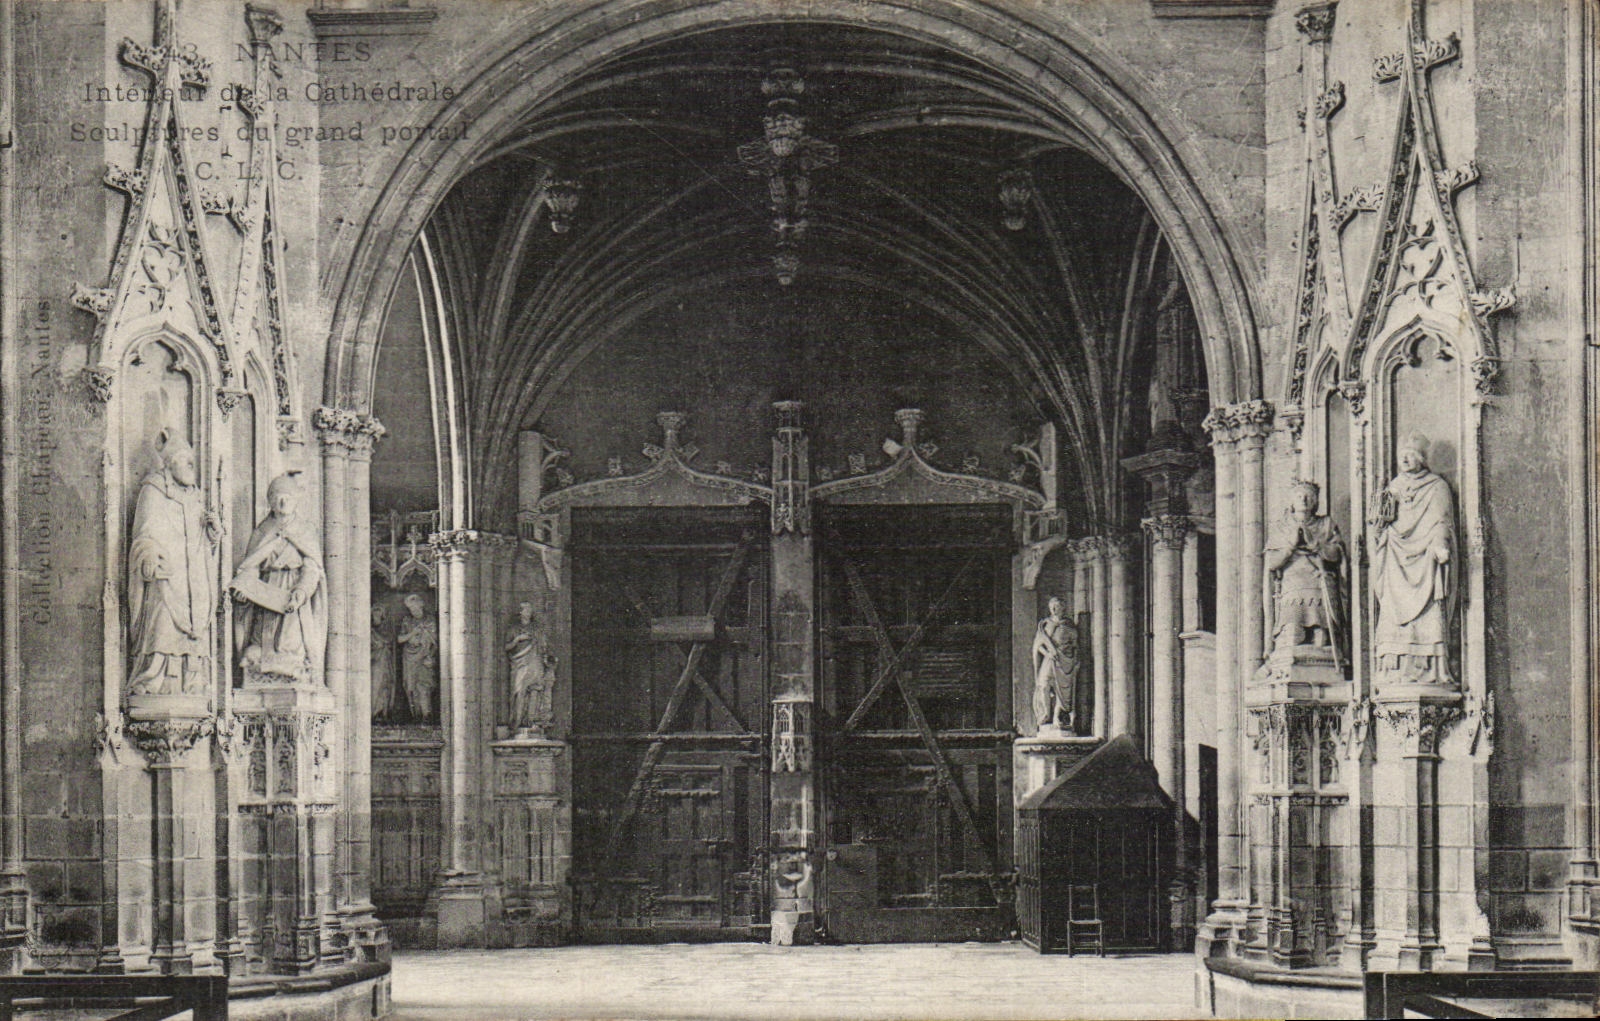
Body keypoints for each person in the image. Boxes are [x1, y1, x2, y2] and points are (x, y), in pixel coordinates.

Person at [127, 432, 219, 696]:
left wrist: (213, 533)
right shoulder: (153, 491)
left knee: (194, 630)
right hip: (166, 578)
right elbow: (143, 536)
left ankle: (192, 683)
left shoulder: (196, 498)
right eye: (186, 462)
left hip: (194, 582)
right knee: (162, 625)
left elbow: (203, 544)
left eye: (193, 462)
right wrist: (150, 558)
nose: (192, 468)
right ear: (170, 464)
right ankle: (153, 680)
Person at [1372, 432, 1457, 686]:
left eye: (1411, 455)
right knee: (1391, 611)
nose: (1406, 459)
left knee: (1428, 612)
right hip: (1395, 559)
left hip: (1425, 560)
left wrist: (1440, 543)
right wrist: (1379, 526)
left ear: (1422, 459)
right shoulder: (1394, 487)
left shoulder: (1436, 486)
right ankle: (1393, 669)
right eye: (1403, 455)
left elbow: (1441, 520)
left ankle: (1430, 670)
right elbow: (1381, 522)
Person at [229, 471, 326, 684]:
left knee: (290, 644)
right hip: (266, 592)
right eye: (276, 498)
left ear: (295, 501)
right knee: (261, 642)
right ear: (270, 502)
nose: (282, 502)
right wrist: (244, 589)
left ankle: (291, 670)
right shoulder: (263, 531)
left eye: (287, 498)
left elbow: (312, 568)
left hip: (292, 591)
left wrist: (301, 592)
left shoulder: (305, 530)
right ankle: (261, 668)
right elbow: (251, 566)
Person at [1266, 480, 1347, 663]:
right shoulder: (1281, 527)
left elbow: (1337, 554)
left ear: (1315, 501)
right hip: (1293, 582)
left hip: (1319, 580)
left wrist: (1316, 545)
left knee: (1321, 639)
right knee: (1293, 633)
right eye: (1299, 496)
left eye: (1308, 496)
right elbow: (1271, 563)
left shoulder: (1325, 524)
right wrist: (1291, 545)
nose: (1303, 499)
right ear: (1292, 501)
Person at [507, 601, 556, 734]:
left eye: (530, 609)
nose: (529, 612)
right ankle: (517, 723)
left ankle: (531, 721)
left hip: (535, 662)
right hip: (520, 663)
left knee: (535, 690)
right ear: (520, 612)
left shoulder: (536, 628)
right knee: (519, 691)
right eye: (526, 609)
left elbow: (543, 645)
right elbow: (507, 647)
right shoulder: (513, 629)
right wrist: (518, 639)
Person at [1031, 596, 1079, 732]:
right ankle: (1046, 714)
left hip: (1065, 661)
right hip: (1049, 660)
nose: (1053, 609)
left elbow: (1075, 645)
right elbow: (1038, 645)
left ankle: (1057, 718)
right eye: (1051, 606)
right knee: (1044, 684)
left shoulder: (1069, 626)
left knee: (1061, 690)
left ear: (1063, 607)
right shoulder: (1045, 625)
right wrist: (1048, 653)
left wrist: (1075, 661)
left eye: (1056, 606)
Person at [397, 592, 439, 722]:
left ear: (421, 606)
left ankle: (427, 715)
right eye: (411, 609)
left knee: (423, 686)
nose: (414, 611)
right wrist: (413, 633)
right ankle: (417, 716)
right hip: (409, 658)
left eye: (416, 608)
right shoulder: (407, 621)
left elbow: (435, 641)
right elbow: (400, 639)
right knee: (411, 687)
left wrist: (431, 657)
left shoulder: (429, 620)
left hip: (425, 658)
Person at [371, 603, 398, 722]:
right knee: (374, 686)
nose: (377, 616)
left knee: (384, 686)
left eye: (379, 613)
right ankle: (374, 712)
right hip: (373, 663)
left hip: (385, 662)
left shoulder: (386, 631)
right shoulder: (369, 631)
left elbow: (388, 641)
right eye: (374, 613)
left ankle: (382, 712)